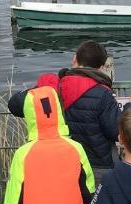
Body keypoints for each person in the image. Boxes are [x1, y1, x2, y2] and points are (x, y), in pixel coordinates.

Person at [9, 40, 123, 186]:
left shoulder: (51, 89)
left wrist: (39, 89)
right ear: (101, 68)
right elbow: (115, 132)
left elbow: (14, 105)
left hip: (59, 165)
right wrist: (130, 108)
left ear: (74, 59)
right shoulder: (103, 94)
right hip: (97, 167)